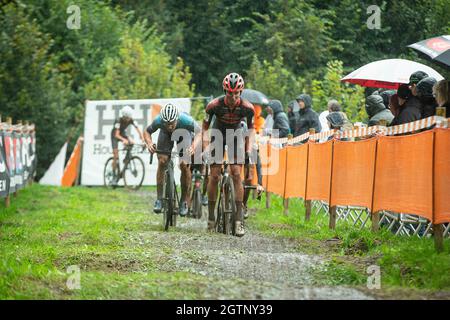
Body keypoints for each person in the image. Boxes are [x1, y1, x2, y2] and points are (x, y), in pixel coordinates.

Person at [202, 72, 255, 237]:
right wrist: (205, 147)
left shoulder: (247, 108)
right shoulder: (213, 105)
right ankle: (211, 217)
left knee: (236, 173)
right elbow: (204, 127)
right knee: (215, 175)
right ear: (225, 91)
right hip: (218, 132)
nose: (232, 96)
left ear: (241, 92)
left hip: (236, 134)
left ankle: (238, 221)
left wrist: (247, 151)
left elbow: (251, 131)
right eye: (229, 93)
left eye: (236, 93)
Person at [144, 103, 202, 216]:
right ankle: (159, 199)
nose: (170, 126)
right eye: (167, 123)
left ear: (176, 119)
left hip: (184, 133)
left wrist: (193, 147)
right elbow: (147, 132)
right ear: (163, 121)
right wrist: (149, 143)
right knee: (162, 161)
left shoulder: (185, 120)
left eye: (172, 123)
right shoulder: (159, 121)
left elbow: (199, 132)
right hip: (165, 134)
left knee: (184, 164)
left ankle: (184, 200)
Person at [110, 105, 145, 183]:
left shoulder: (131, 119)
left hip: (122, 133)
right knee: (116, 156)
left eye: (130, 118)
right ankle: (113, 176)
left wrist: (142, 139)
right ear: (124, 117)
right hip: (114, 136)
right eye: (127, 118)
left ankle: (126, 159)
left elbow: (138, 129)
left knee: (131, 142)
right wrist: (124, 140)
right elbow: (116, 135)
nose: (129, 119)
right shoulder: (118, 120)